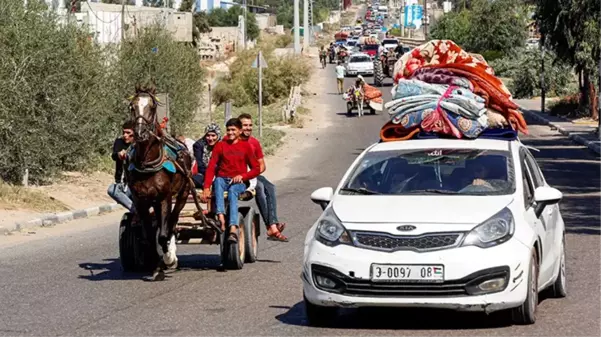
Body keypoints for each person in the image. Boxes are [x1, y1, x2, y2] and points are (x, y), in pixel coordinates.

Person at [202, 118, 260, 243]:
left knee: (233, 192)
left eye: (233, 130)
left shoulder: (246, 147)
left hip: (239, 182)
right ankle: (221, 217)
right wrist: (206, 187)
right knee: (217, 182)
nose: (230, 132)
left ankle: (233, 228)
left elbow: (256, 168)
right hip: (223, 179)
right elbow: (212, 166)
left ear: (239, 131)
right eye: (228, 130)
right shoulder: (220, 145)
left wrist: (243, 176)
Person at [238, 113, 288, 242]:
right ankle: (271, 227)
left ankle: (272, 223)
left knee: (270, 187)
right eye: (245, 125)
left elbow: (262, 165)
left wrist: (252, 174)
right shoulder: (233, 140)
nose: (248, 128)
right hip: (237, 175)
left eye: (250, 125)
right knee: (260, 187)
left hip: (251, 174)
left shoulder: (254, 142)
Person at [107, 121, 135, 213]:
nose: (125, 135)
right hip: (123, 183)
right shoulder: (119, 142)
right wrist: (119, 154)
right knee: (112, 190)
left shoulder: (139, 145)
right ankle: (135, 211)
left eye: (128, 133)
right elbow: (114, 156)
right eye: (124, 132)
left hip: (136, 183)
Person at [192, 123, 222, 188]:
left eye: (213, 135)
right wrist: (210, 175)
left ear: (218, 135)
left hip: (220, 174)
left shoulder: (223, 145)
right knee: (192, 180)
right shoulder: (198, 145)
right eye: (208, 135)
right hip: (204, 173)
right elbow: (200, 165)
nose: (210, 138)